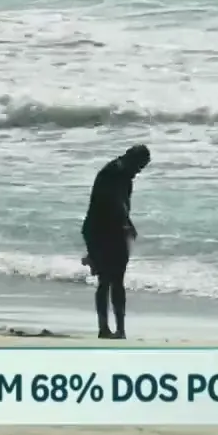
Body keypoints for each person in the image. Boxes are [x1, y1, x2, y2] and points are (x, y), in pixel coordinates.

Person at [81, 144, 150, 339]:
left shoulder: (126, 175)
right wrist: (125, 223)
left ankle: (120, 329)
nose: (138, 171)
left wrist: (128, 223)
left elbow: (123, 205)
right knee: (106, 280)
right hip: (99, 229)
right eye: (138, 165)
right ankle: (104, 328)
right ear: (129, 156)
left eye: (141, 168)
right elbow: (111, 202)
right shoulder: (112, 172)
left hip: (114, 228)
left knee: (116, 279)